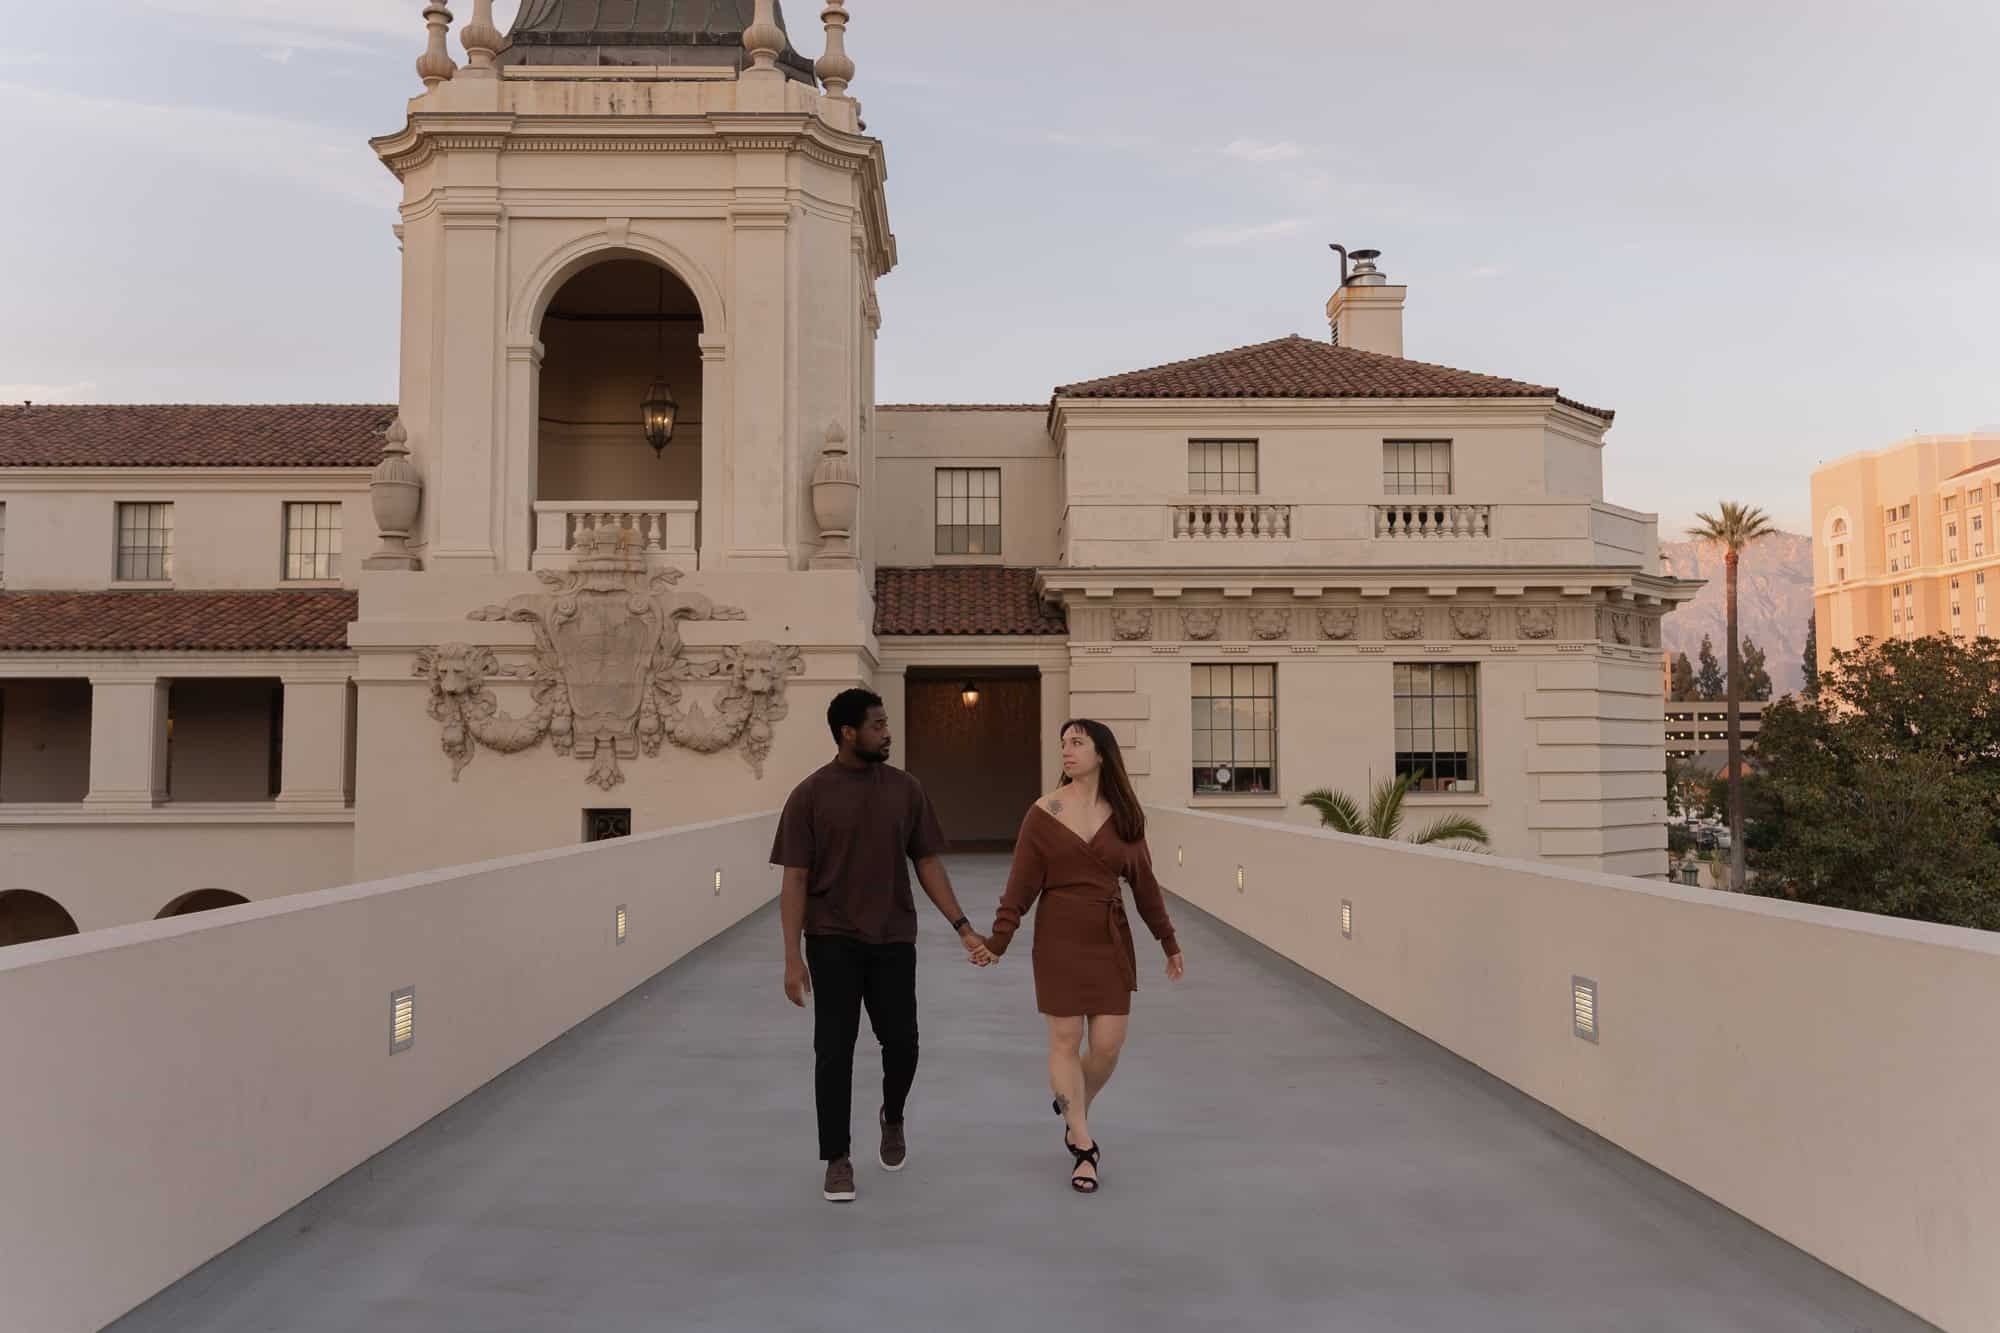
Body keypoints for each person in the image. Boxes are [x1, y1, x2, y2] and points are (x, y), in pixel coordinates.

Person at [773, 688, 994, 1204]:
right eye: (877, 725)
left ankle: (891, 1116)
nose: (887, 732)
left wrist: (962, 925)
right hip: (831, 938)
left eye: (886, 723)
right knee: (834, 1052)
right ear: (848, 733)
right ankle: (837, 1159)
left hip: (894, 936)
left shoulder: (906, 790)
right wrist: (791, 957)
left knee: (904, 1044)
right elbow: (795, 878)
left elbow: (928, 862)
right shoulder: (810, 795)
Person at [983, 718, 1185, 1194]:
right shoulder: (1043, 812)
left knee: (1109, 1044)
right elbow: (1021, 885)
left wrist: (1168, 941)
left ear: (1102, 753)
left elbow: (1145, 885)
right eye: (1063, 744)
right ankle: (1083, 1144)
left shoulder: (1126, 817)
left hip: (1109, 935)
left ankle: (1072, 1104)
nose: (1067, 751)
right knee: (1065, 1037)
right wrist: (998, 940)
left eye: (1078, 743)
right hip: (1059, 934)